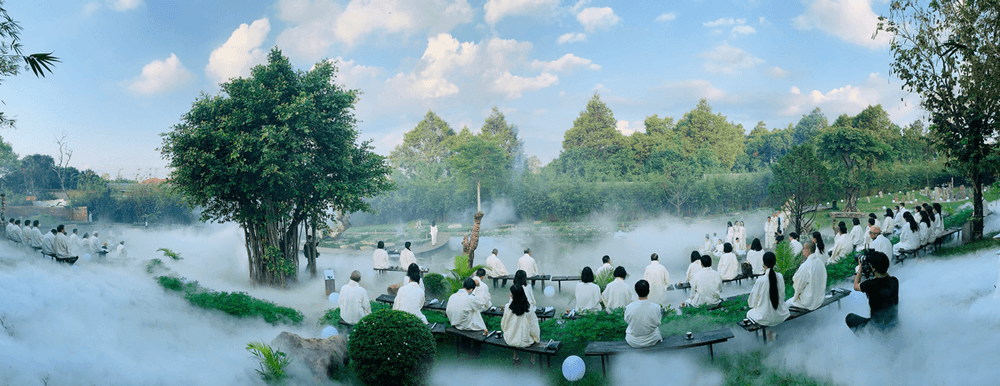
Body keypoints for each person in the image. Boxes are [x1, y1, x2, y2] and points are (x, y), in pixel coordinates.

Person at [845, 251, 898, 333]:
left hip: (877, 328)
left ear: (873, 268)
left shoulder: (870, 284)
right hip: (893, 324)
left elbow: (856, 286)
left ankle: (866, 338)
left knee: (850, 318)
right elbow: (886, 276)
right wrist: (880, 265)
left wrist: (860, 268)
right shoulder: (894, 281)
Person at [746, 252, 789, 327]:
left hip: (764, 318)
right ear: (775, 263)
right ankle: (770, 334)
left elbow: (752, 302)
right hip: (780, 316)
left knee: (749, 313)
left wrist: (758, 306)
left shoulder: (760, 280)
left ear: (763, 263)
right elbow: (782, 296)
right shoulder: (780, 276)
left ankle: (768, 334)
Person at [501, 284, 540, 363]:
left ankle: (515, 357)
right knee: (534, 338)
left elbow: (503, 326)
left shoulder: (508, 307)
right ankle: (532, 360)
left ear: (513, 296)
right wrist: (537, 339)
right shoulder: (529, 309)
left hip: (510, 339)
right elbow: (534, 328)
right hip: (525, 341)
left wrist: (507, 332)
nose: (510, 295)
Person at [787, 241, 827, 310]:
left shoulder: (806, 266)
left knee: (787, 303)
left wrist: (797, 295)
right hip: (819, 298)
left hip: (808, 301)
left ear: (808, 250)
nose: (802, 250)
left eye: (803, 248)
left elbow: (799, 284)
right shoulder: (820, 262)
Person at [624, 280, 663, 348]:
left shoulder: (629, 307)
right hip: (652, 340)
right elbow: (658, 322)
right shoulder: (656, 307)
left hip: (633, 341)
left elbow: (627, 321)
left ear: (636, 291)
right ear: (649, 291)